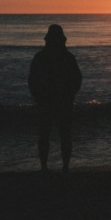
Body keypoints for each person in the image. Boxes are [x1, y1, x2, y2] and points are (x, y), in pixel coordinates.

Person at [28, 24, 82, 173]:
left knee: (46, 135)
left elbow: (32, 80)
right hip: (62, 101)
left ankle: (45, 167)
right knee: (64, 135)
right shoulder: (68, 58)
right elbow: (77, 79)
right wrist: (71, 93)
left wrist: (38, 96)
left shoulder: (40, 57)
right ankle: (65, 167)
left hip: (47, 101)